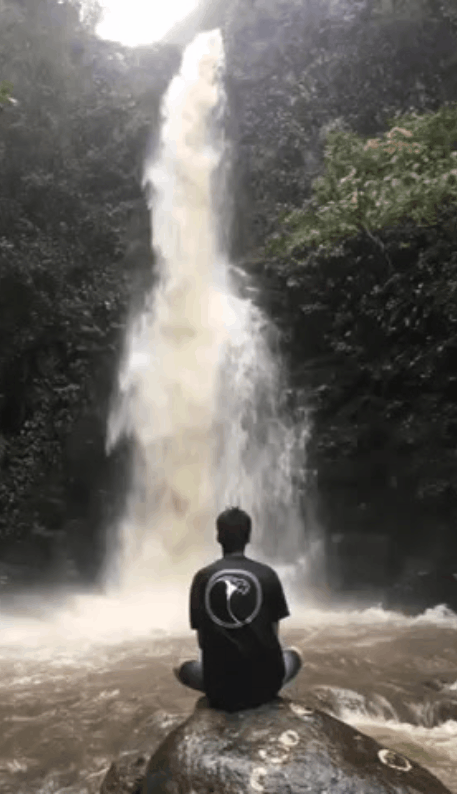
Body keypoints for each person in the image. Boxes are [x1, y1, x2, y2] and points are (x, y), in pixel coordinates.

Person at [174, 506, 302, 711]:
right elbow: (273, 634)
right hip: (266, 688)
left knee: (180, 664)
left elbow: (202, 640)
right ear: (248, 537)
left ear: (218, 537)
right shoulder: (267, 574)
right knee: (294, 653)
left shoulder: (202, 578)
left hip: (219, 691)